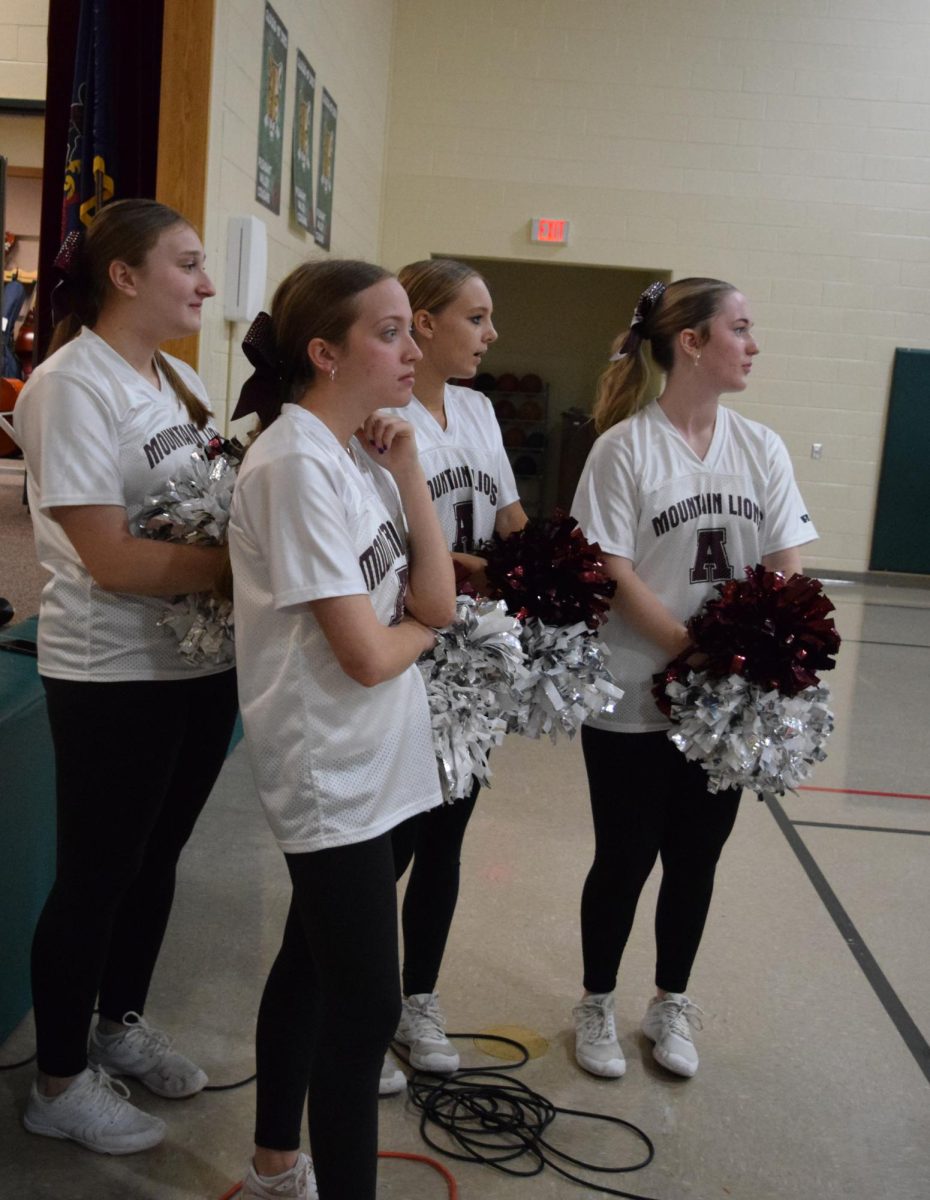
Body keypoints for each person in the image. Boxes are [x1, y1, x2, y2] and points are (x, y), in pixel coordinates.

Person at [227, 259, 456, 1199]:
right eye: (392, 331)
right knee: (363, 1013)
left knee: (309, 968)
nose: (415, 347)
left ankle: (278, 1163)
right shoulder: (290, 464)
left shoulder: (357, 454)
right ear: (325, 352)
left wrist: (406, 468)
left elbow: (434, 596)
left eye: (412, 328)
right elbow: (369, 651)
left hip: (382, 758)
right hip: (331, 769)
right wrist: (421, 630)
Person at [16, 198, 239, 1153]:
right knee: (97, 875)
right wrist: (257, 569)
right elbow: (107, 557)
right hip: (112, 671)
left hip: (196, 662)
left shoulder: (178, 380)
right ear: (125, 276)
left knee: (156, 862)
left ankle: (120, 1023)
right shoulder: (70, 388)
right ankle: (58, 1082)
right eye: (188, 264)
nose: (207, 282)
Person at [570, 278, 817, 1080]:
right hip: (633, 691)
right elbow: (607, 566)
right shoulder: (624, 448)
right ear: (691, 343)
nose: (754, 344)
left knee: (698, 859)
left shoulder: (762, 447)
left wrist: (761, 644)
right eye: (740, 328)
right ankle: (597, 1002)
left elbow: (787, 559)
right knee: (625, 856)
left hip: (725, 704)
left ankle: (670, 1000)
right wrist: (687, 646)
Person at [377, 259, 526, 1083]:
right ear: (423, 324)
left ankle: (417, 999)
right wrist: (454, 568)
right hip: (405, 646)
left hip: (471, 655)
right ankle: (350, 1007)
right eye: (475, 317)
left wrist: (546, 571)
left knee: (447, 838)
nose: (490, 333)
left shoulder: (474, 408)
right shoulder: (379, 409)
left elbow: (509, 517)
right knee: (387, 842)